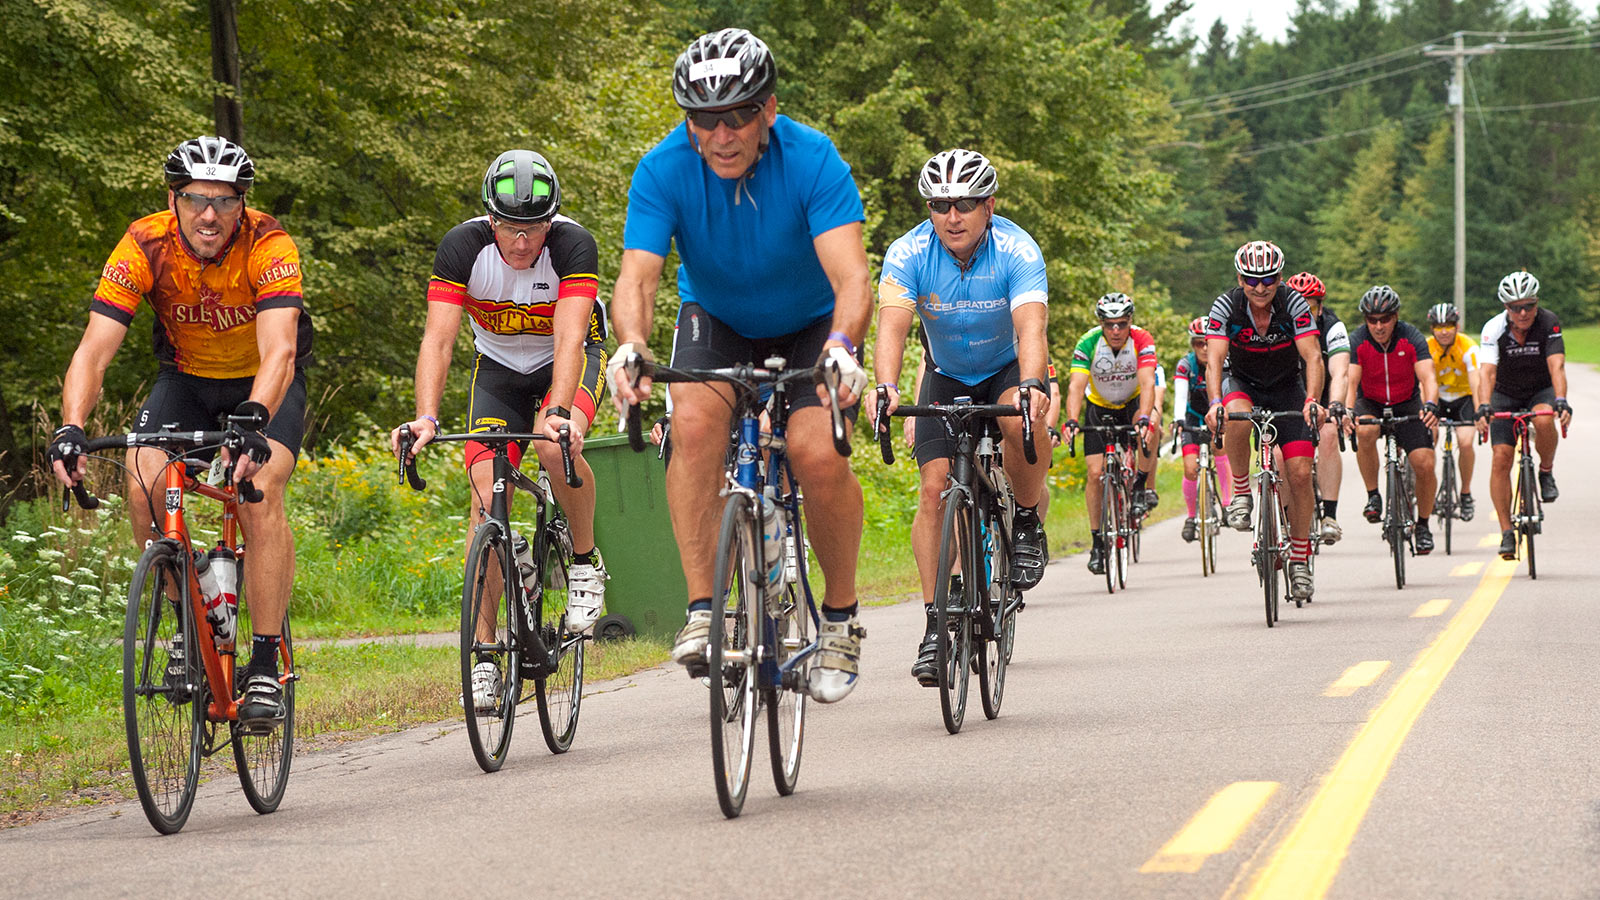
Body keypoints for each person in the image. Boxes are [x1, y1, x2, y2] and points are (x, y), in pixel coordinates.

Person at [606, 29, 872, 703]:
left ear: (768, 112)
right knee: (693, 426)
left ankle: (839, 621)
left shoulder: (814, 159)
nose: (720, 134)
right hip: (717, 320)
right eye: (703, 118)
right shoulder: (663, 168)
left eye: (737, 116)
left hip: (814, 322)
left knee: (816, 452)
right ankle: (704, 609)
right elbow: (637, 279)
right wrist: (631, 345)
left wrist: (842, 345)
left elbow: (852, 280)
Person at [48, 136, 309, 730]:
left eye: (224, 201)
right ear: (174, 199)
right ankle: (185, 627)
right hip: (186, 379)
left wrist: (255, 418)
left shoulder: (269, 243)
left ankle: (264, 663)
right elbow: (94, 349)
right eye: (195, 199)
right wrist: (71, 426)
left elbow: (281, 350)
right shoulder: (144, 242)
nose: (209, 215)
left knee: (259, 489)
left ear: (243, 205)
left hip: (260, 383)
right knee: (142, 479)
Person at [389, 150, 610, 711]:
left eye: (535, 226)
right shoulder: (462, 249)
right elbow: (438, 340)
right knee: (487, 499)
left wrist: (559, 413)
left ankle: (584, 563)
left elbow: (569, 339)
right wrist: (427, 417)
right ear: (491, 221)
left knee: (549, 443)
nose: (522, 241)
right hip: (498, 373)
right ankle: (483, 653)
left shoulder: (572, 247)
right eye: (511, 227)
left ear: (551, 221)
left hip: (569, 360)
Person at [873, 148, 1050, 687]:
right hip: (945, 373)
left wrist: (1033, 384)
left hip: (1003, 369)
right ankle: (935, 628)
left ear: (989, 205)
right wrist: (885, 387)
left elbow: (1030, 329)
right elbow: (893, 327)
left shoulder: (1017, 249)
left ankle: (1023, 520)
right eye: (941, 204)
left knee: (1022, 422)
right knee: (933, 489)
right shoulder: (907, 253)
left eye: (967, 203)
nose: (953, 215)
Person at [1203, 240, 1325, 602]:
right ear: (1240, 279)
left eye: (1269, 279)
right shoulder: (1227, 305)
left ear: (1280, 278)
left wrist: (1312, 400)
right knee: (1235, 416)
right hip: (1243, 383)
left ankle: (1300, 560)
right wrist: (1213, 403)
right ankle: (1241, 492)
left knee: (1301, 474)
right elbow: (1214, 359)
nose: (1260, 287)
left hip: (1287, 387)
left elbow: (1313, 357)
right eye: (1252, 279)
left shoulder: (1294, 303)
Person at [1476, 270, 1573, 559]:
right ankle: (1506, 532)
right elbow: (1487, 372)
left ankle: (1546, 471)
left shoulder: (1548, 322)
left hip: (1539, 391)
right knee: (1501, 459)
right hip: (1505, 392)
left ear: (1536, 302)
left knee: (1544, 418)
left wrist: (1561, 400)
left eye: (1528, 305)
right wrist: (1483, 405)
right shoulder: (1493, 328)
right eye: (1515, 307)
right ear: (1505, 307)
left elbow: (1557, 366)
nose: (1522, 312)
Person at [1340, 286, 1441, 554]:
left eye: (1385, 319)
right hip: (1370, 401)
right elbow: (1350, 382)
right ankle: (1373, 495)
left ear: (1395, 317)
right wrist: (1348, 410)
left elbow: (1428, 377)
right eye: (1372, 320)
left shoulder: (1411, 337)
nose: (1379, 326)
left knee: (1425, 463)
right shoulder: (1358, 340)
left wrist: (1431, 404)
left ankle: (1423, 525)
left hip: (1406, 402)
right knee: (1365, 432)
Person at [1063, 293, 1158, 575]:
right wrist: (1070, 420)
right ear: (1101, 324)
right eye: (1109, 324)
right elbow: (1076, 387)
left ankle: (1140, 486)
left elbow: (1148, 381)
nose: (1116, 330)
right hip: (1099, 405)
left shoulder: (1142, 339)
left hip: (1132, 403)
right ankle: (1097, 543)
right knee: (1095, 474)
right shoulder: (1088, 342)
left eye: (1121, 324)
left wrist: (1143, 416)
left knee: (1150, 426)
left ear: (1130, 322)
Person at [1284, 271, 1350, 543]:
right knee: (1278, 455)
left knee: (1330, 435)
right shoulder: (1278, 325)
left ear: (1320, 306)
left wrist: (1335, 404)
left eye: (1309, 305)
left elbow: (1341, 372)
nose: (1303, 311)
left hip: (1321, 395)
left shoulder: (1333, 327)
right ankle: (1285, 515)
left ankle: (1329, 516)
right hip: (1288, 394)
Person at [1172, 316, 1235, 542]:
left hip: (1217, 415)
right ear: (1193, 345)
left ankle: (1227, 505)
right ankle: (1191, 517)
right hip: (1193, 416)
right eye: (1199, 343)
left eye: (1209, 341)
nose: (1205, 347)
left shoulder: (1225, 362)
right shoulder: (1185, 365)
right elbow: (1180, 395)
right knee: (1190, 468)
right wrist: (1179, 419)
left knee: (1221, 450)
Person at [1426, 302, 1481, 520]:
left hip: (1463, 399)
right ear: (1432, 329)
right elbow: (1423, 382)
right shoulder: (1427, 347)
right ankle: (1426, 490)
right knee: (1427, 440)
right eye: (1439, 326)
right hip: (1437, 399)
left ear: (1457, 327)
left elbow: (1477, 381)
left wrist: (1480, 410)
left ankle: (1465, 493)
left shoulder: (1468, 346)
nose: (1444, 331)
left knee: (1466, 442)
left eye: (1449, 325)